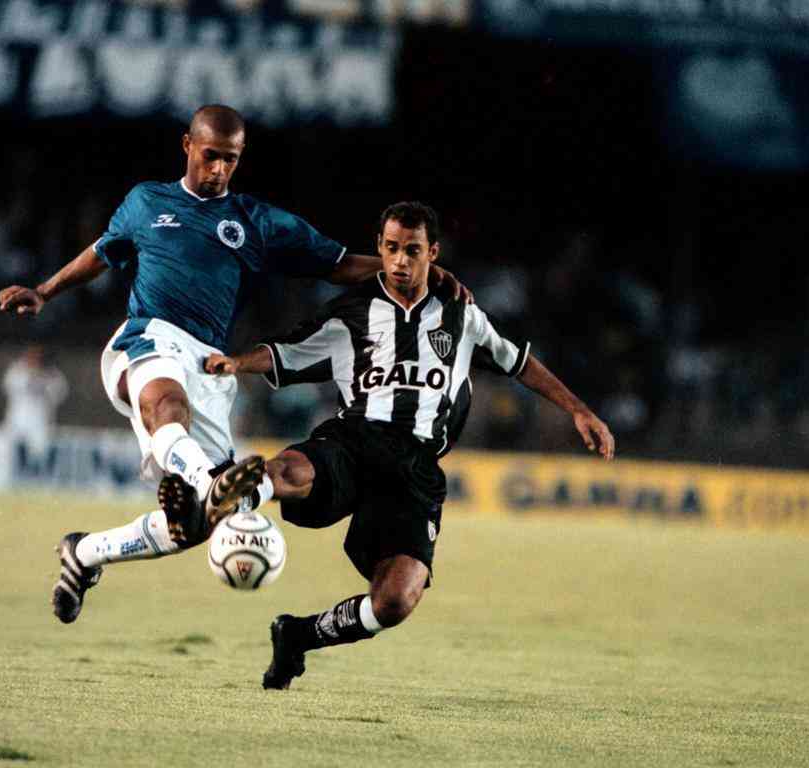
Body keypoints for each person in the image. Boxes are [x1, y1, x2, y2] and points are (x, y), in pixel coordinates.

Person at [0, 105, 470, 625]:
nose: (219, 169)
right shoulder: (146, 202)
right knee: (165, 405)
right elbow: (102, 252)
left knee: (193, 527)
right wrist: (44, 291)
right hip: (149, 336)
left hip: (210, 365)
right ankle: (206, 481)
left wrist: (410, 267)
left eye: (230, 159)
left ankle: (84, 554)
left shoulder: (256, 221)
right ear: (187, 147)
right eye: (210, 156)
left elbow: (336, 265)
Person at [204, 201, 615, 689]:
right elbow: (285, 353)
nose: (400, 261)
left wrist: (578, 409)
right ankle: (233, 497)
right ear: (379, 249)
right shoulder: (351, 311)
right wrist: (236, 363)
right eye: (392, 249)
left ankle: (298, 636)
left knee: (395, 602)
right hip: (354, 439)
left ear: (432, 253)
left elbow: (519, 362)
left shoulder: (462, 315)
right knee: (289, 472)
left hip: (415, 467)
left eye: (412, 251)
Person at [2, 344, 68, 456]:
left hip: (40, 423)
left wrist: (44, 380)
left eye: (38, 355)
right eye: (32, 354)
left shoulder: (53, 374)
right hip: (17, 420)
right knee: (10, 454)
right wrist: (31, 376)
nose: (35, 358)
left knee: (39, 455)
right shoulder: (16, 370)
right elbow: (9, 387)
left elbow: (60, 393)